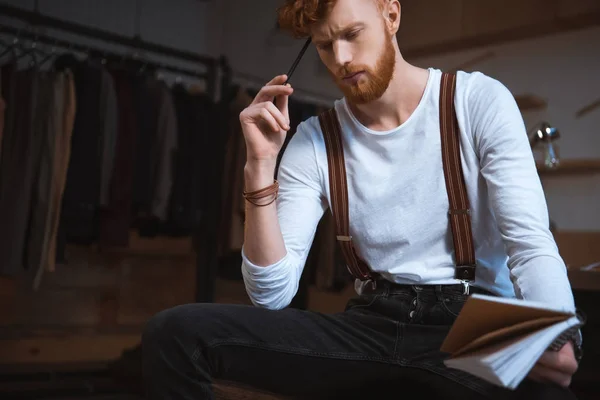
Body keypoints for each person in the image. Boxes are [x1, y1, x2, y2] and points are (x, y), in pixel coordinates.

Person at [141, 0, 582, 399]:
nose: (342, 60)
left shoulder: (476, 101)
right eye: (324, 46)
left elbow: (529, 244)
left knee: (550, 395)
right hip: (370, 324)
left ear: (391, 15)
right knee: (174, 334)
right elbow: (271, 296)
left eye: (352, 34)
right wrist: (259, 166)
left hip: (469, 321)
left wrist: (557, 335)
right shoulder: (315, 140)